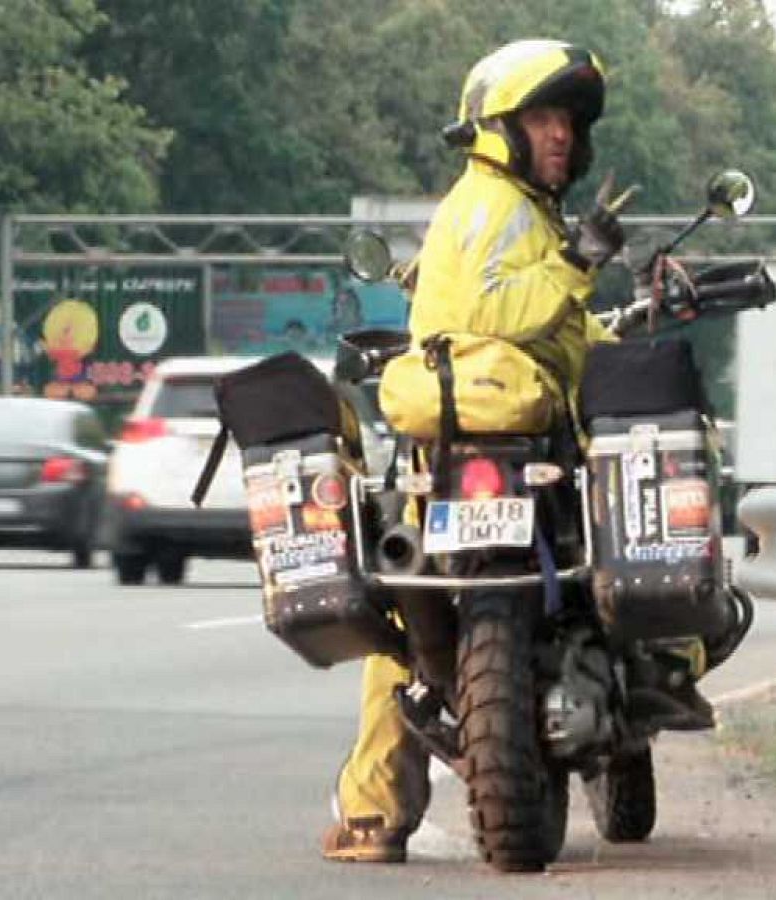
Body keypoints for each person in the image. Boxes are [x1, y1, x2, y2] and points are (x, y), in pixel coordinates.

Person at [321, 38, 633, 864]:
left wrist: (603, 328)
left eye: (568, 120)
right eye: (541, 117)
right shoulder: (494, 205)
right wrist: (578, 263)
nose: (560, 134)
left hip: (462, 446)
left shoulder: (519, 209)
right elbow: (492, 314)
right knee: (413, 615)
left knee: (409, 618)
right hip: (495, 436)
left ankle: (373, 816)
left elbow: (552, 333)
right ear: (497, 127)